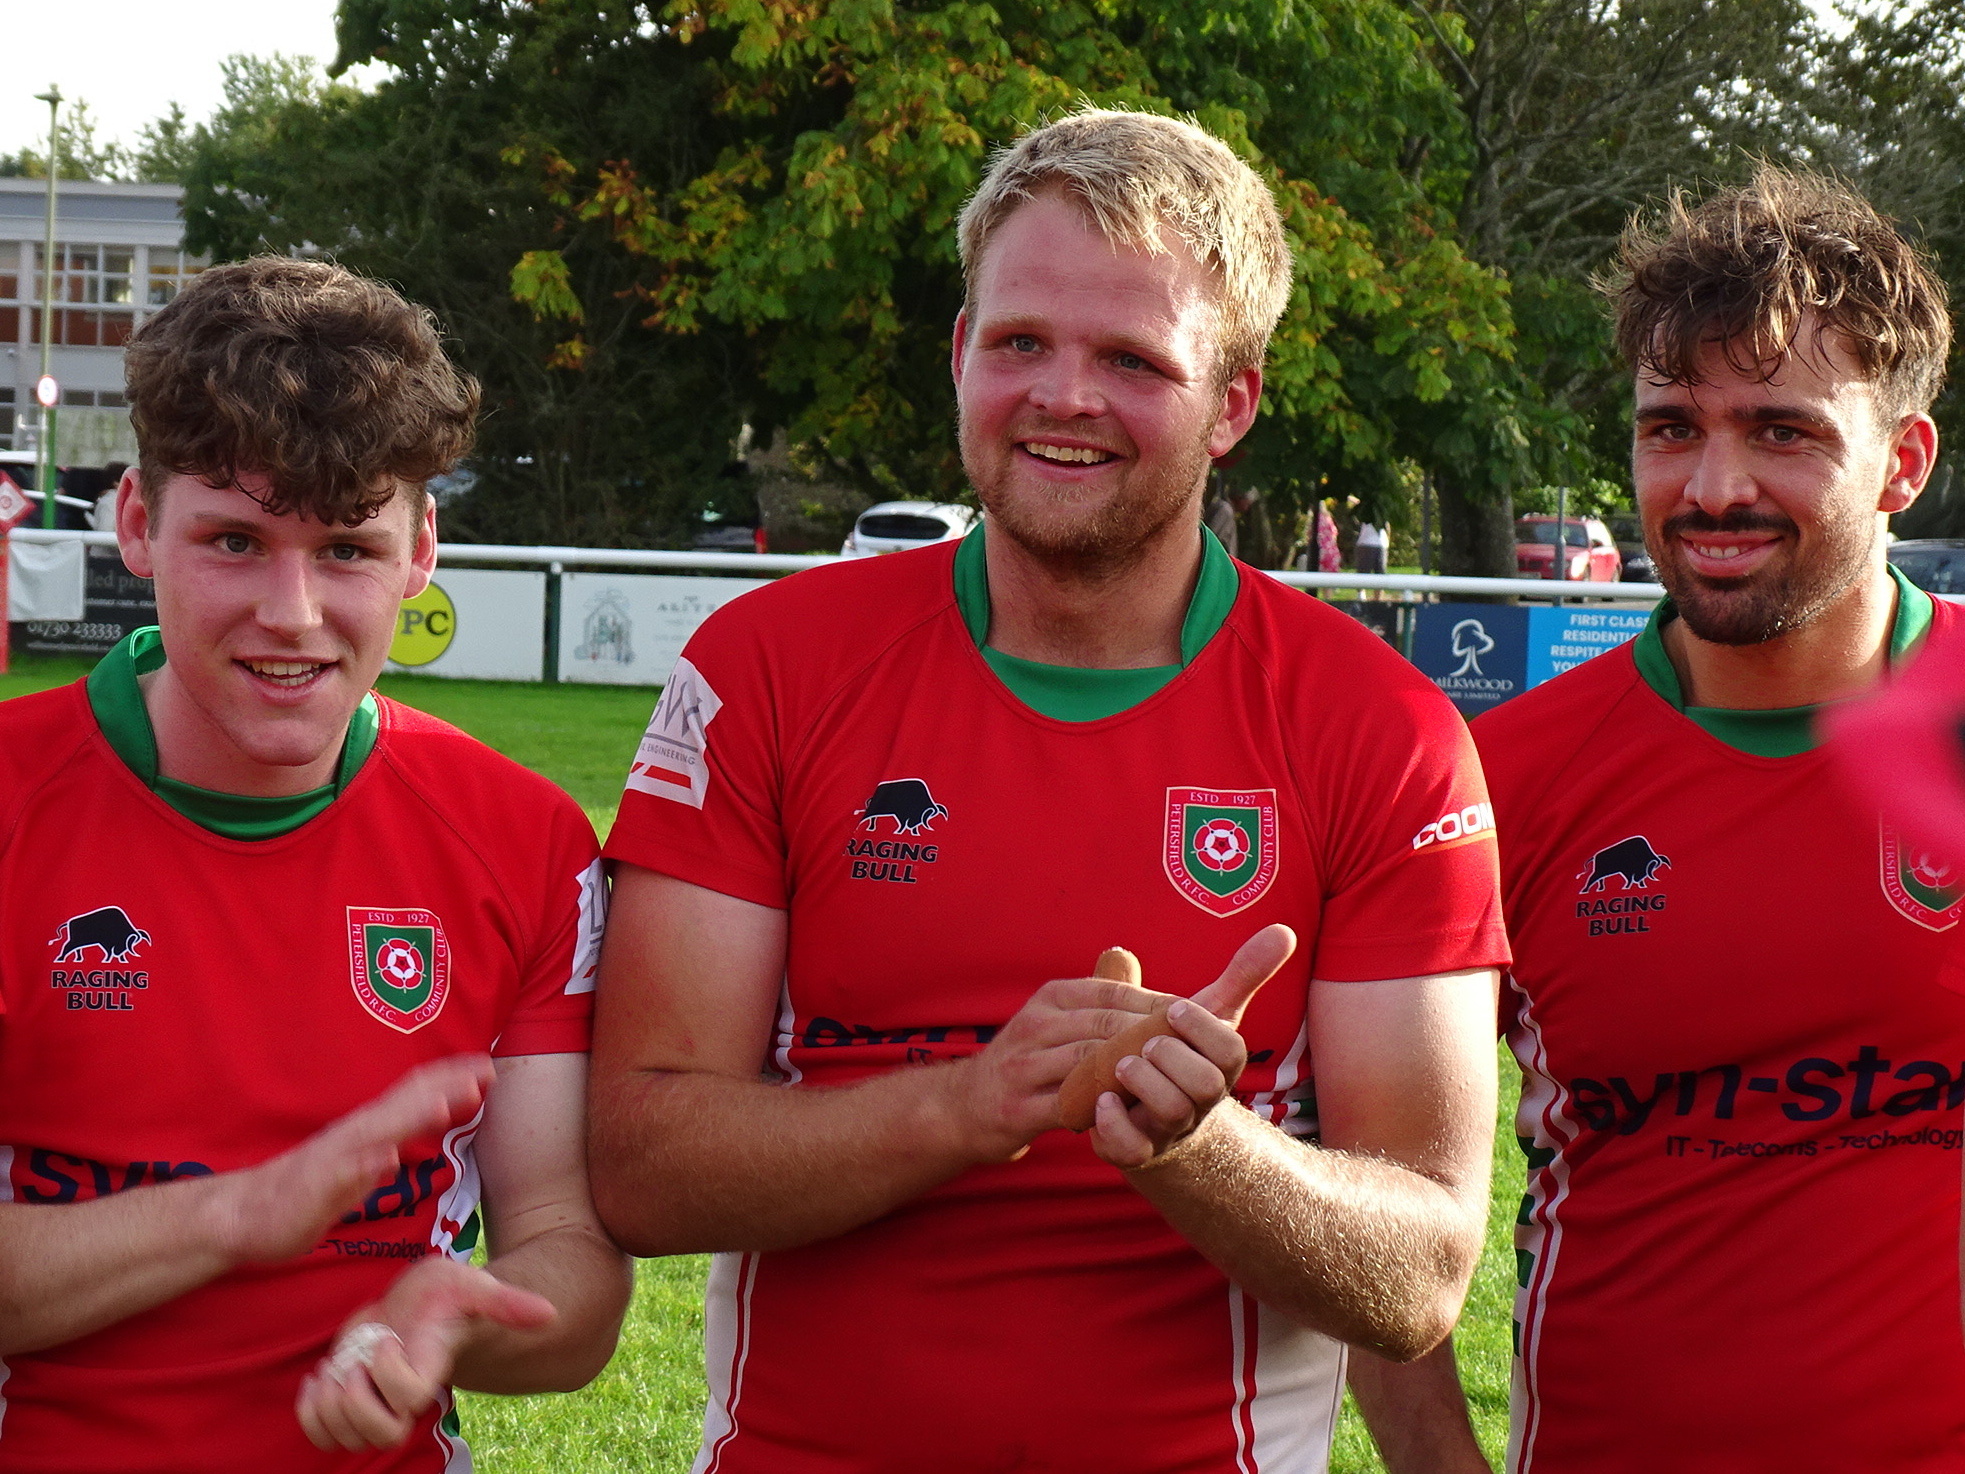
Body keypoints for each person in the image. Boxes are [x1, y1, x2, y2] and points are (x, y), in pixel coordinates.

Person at [589, 107, 1508, 1474]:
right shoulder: (768, 667)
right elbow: (641, 1165)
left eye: (1133, 360)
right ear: (960, 354)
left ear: (1231, 404)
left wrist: (1206, 1146)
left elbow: (1419, 1270)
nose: (1061, 396)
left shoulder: (1377, 727)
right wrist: (969, 1104)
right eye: (1019, 340)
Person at [1351, 169, 1965, 1472]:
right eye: (1671, 425)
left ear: (1902, 463)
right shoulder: (1492, 779)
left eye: (1783, 430)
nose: (1714, 483)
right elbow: (1381, 1216)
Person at [0, 257, 631, 1473]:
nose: (291, 612)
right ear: (138, 521)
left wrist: (449, 1326)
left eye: (345, 548)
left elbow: (572, 1272)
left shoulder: (525, 842)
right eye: (235, 539)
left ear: (421, 547)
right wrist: (241, 1213)